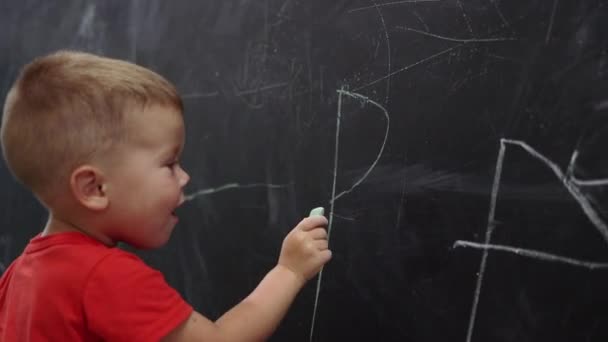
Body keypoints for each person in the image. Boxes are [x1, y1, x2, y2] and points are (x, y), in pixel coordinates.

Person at [0, 50, 332, 341]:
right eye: (170, 163)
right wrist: (289, 272)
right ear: (94, 188)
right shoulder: (103, 276)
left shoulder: (16, 278)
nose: (185, 176)